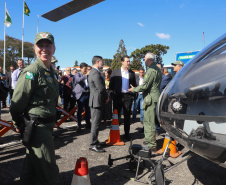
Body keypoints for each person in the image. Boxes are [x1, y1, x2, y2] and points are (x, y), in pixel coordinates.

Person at [10, 32, 59, 184]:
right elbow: (17, 103)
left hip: (47, 125)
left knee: (31, 169)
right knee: (49, 172)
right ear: (34, 48)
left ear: (54, 48)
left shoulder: (50, 71)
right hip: (37, 127)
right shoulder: (32, 72)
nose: (44, 49)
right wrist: (18, 124)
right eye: (40, 45)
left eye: (48, 45)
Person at [128, 53, 162, 152]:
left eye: (144, 59)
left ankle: (151, 145)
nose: (144, 61)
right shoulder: (157, 69)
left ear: (148, 59)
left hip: (150, 99)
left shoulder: (151, 70)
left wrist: (134, 89)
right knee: (151, 121)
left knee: (149, 122)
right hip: (154, 97)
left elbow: (145, 86)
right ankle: (151, 142)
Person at [109, 55, 137, 141]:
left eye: (129, 61)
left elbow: (135, 85)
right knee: (116, 116)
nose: (129, 63)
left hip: (128, 96)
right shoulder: (115, 72)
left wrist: (133, 95)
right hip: (118, 96)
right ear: (122, 62)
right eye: (127, 61)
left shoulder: (132, 73)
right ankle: (116, 134)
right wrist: (112, 95)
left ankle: (127, 134)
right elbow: (111, 85)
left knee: (127, 116)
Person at [88, 56, 109, 153]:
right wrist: (106, 96)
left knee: (96, 123)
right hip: (96, 101)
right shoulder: (95, 72)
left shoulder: (93, 71)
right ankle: (93, 144)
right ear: (98, 61)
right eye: (102, 62)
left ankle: (95, 141)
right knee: (95, 124)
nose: (103, 64)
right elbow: (100, 88)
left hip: (96, 100)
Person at [72, 63, 91, 132]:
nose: (86, 70)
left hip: (87, 94)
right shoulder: (77, 75)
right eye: (85, 69)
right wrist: (86, 76)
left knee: (88, 110)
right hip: (81, 95)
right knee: (79, 111)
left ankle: (88, 124)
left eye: (86, 69)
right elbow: (78, 80)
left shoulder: (88, 76)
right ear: (81, 68)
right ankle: (79, 125)